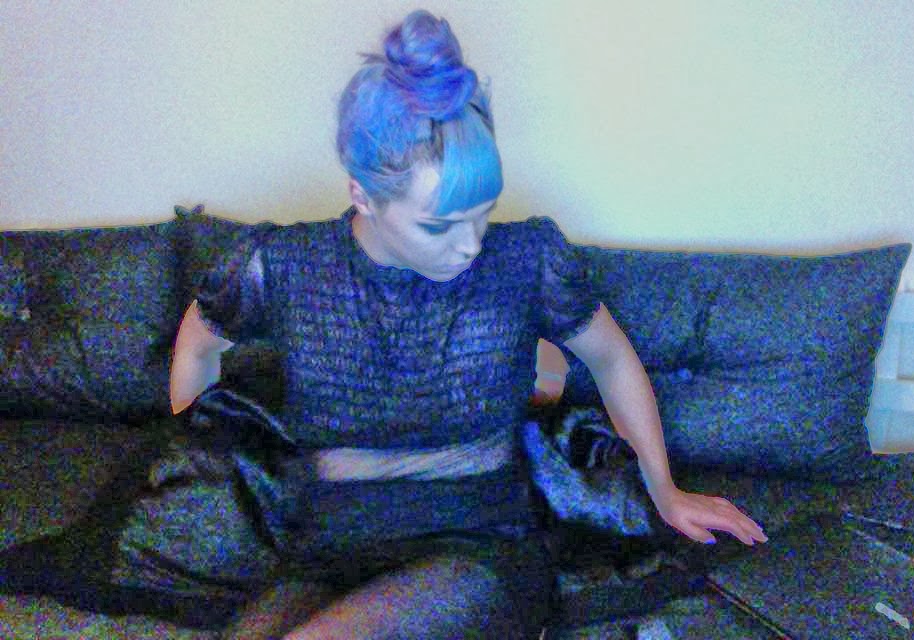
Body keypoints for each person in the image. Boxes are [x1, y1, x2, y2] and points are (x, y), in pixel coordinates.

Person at [2, 9, 766, 640]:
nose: (470, 244)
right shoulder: (284, 266)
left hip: (479, 554)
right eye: (440, 224)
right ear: (362, 196)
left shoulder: (525, 258)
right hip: (327, 555)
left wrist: (664, 490)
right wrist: (201, 459)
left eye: (482, 214)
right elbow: (200, 339)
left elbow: (613, 359)